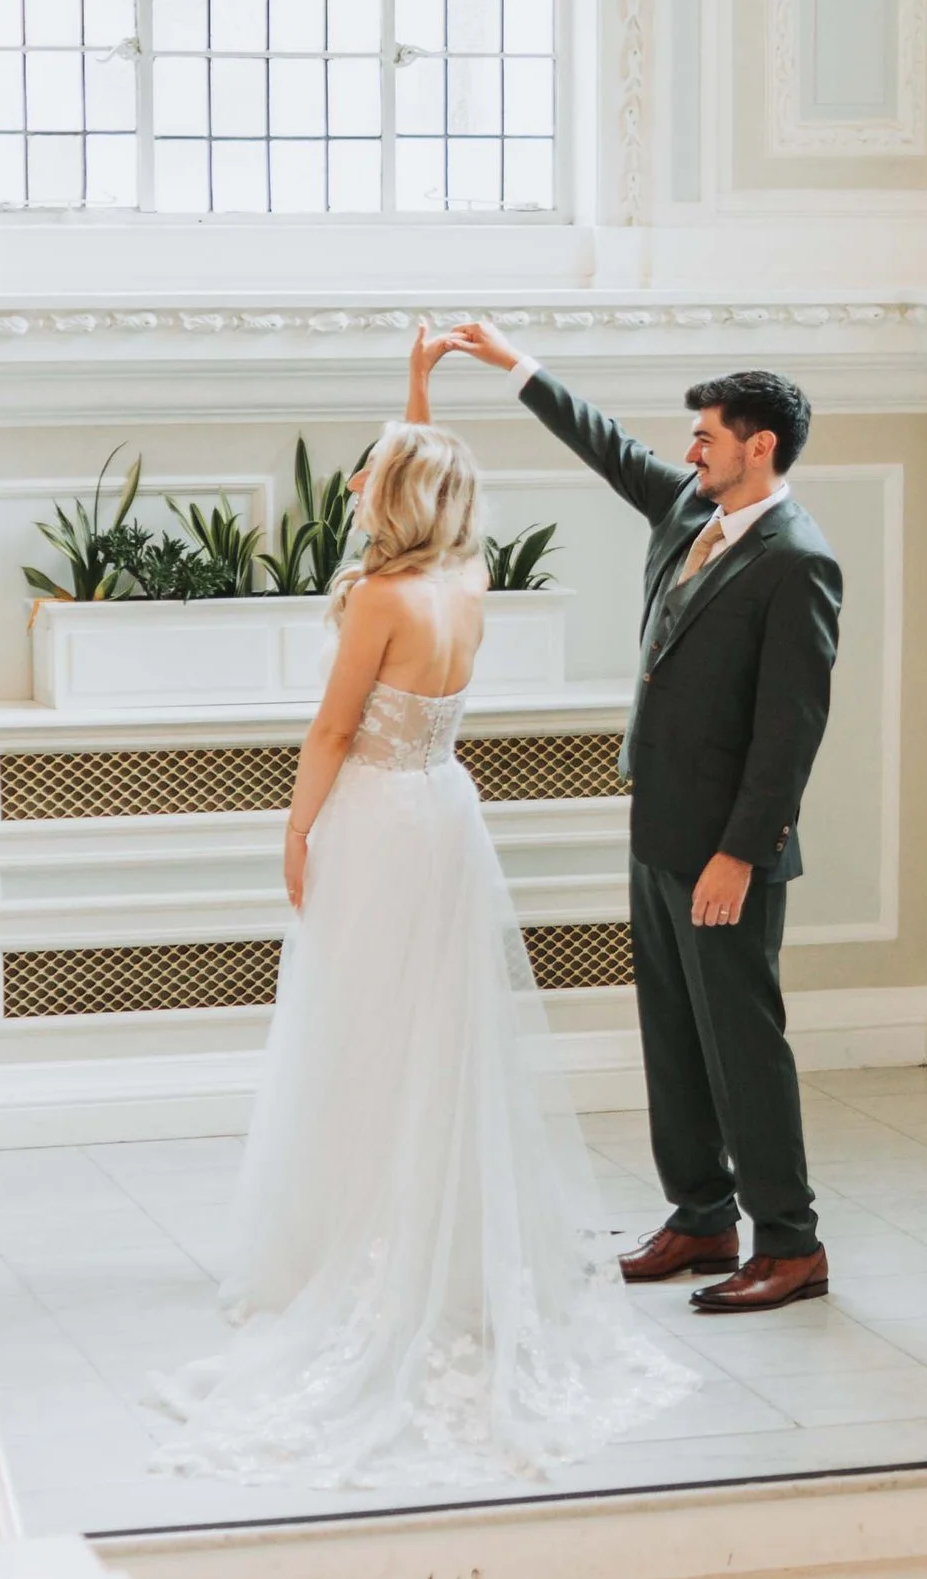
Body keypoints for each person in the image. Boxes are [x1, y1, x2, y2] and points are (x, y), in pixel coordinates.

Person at [147, 326, 691, 1489]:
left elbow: (334, 730)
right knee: (439, 1037)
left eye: (370, 475)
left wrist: (294, 829)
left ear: (386, 496)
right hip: (448, 811)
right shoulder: (466, 580)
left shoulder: (381, 599)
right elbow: (419, 463)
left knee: (364, 1032)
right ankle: (439, 1239)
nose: (354, 483)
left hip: (379, 820)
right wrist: (420, 384)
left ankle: (364, 1244)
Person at [429, 327, 841, 1316]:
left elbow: (789, 735)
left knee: (742, 1044)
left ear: (762, 447)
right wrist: (514, 367)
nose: (690, 449)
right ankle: (702, 1216)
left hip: (723, 853)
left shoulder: (797, 563)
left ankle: (790, 1244)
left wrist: (741, 855)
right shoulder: (692, 510)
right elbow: (608, 446)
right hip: (657, 827)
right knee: (671, 1032)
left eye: (707, 435)